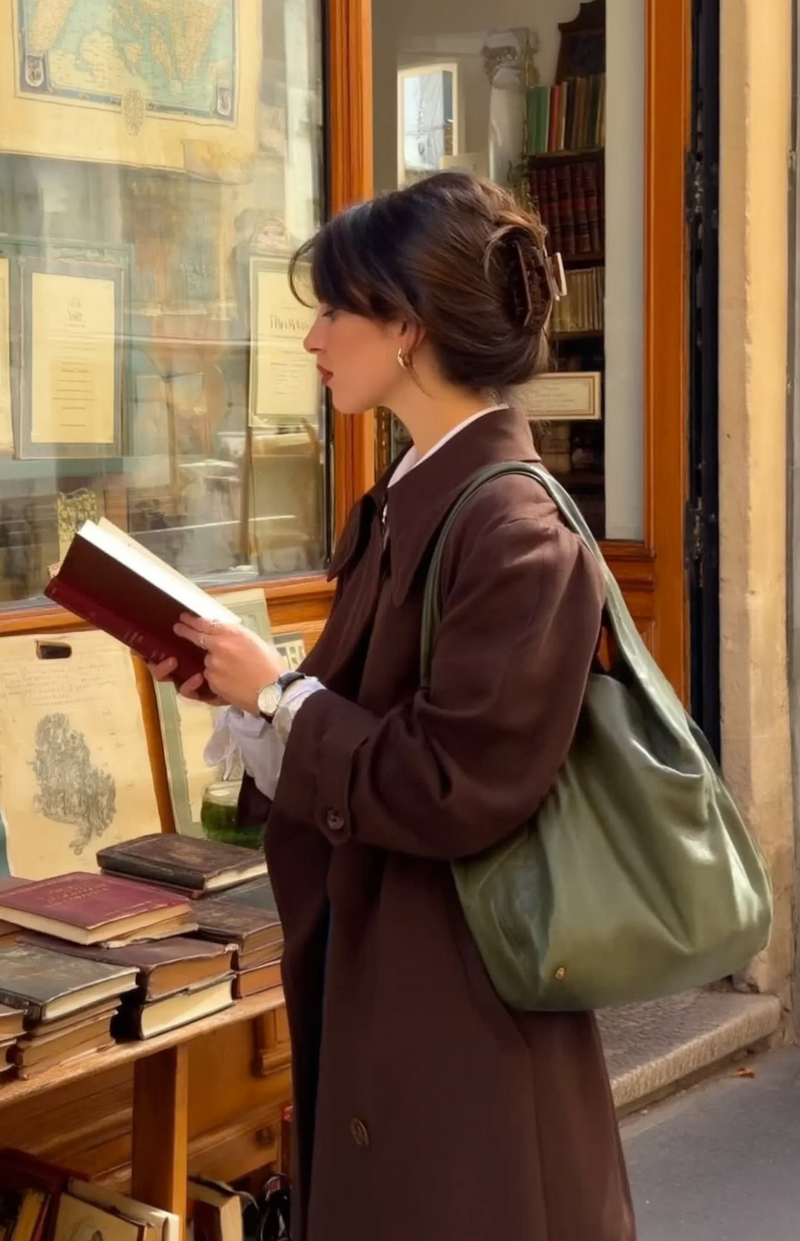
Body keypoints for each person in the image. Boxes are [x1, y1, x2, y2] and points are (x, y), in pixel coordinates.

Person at [152, 172, 636, 1241]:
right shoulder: (413, 496)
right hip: (388, 986)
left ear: (407, 327)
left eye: (334, 308)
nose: (313, 337)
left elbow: (447, 784)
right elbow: (361, 726)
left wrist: (275, 695)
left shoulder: (511, 528)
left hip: (458, 1012)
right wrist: (243, 693)